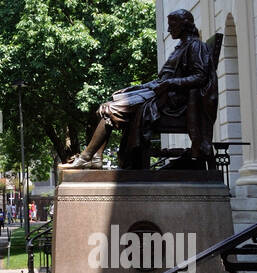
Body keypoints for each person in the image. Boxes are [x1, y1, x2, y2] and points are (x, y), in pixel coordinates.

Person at [64, 9, 217, 170]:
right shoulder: (182, 46)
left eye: (172, 24)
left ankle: (86, 157)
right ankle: (95, 158)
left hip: (172, 102)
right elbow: (161, 80)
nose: (168, 29)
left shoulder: (195, 46)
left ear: (184, 25)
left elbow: (200, 77)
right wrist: (134, 88)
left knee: (110, 109)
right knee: (105, 106)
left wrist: (169, 84)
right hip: (159, 94)